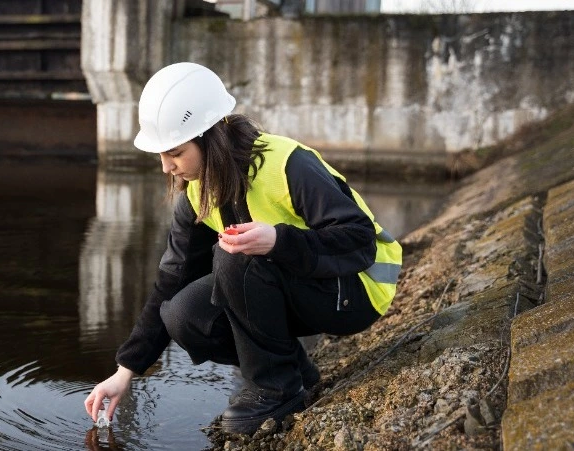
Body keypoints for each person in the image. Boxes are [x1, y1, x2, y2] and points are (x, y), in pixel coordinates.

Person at [84, 62, 402, 435]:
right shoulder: (197, 193)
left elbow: (359, 239)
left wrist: (280, 241)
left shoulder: (287, 164)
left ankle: (274, 390)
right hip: (305, 284)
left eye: (175, 152)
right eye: (161, 154)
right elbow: (170, 282)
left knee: (234, 257)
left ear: (210, 136)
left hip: (357, 289)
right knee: (183, 315)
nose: (166, 167)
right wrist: (126, 371)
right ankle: (294, 372)